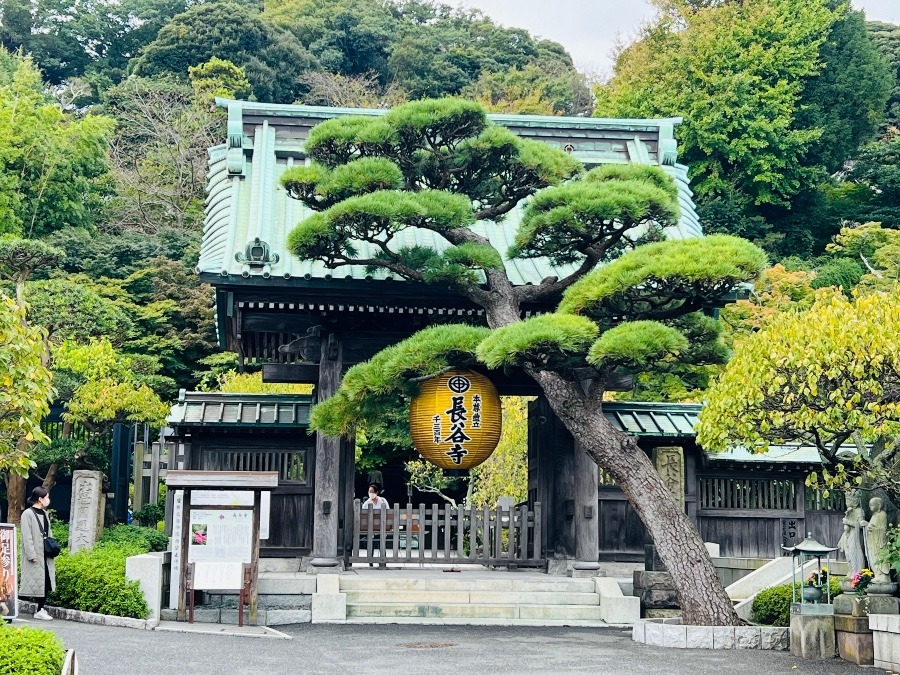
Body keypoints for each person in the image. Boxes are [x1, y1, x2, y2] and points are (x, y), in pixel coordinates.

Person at [20, 486, 57, 621]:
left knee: (46, 581)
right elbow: (27, 536)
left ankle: (40, 609)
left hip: (46, 554)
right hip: (35, 555)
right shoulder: (27, 514)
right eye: (46, 497)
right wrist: (31, 554)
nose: (48, 500)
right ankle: (37, 609)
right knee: (35, 583)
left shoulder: (45, 513)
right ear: (40, 499)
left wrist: (52, 548)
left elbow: (49, 533)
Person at [862, 496, 892, 583]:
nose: (870, 507)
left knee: (880, 557)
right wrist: (867, 525)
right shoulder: (874, 515)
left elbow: (883, 529)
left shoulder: (882, 515)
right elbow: (871, 527)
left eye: (872, 505)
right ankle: (877, 574)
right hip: (873, 542)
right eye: (869, 505)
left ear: (878, 505)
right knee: (874, 557)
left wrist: (869, 526)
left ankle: (883, 576)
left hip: (880, 542)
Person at [838, 491, 867, 574]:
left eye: (848, 501)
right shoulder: (849, 511)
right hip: (848, 534)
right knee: (848, 553)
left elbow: (861, 525)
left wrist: (848, 522)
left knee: (854, 552)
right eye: (846, 501)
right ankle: (851, 570)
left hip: (855, 534)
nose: (847, 503)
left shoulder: (860, 511)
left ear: (855, 501)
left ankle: (857, 572)